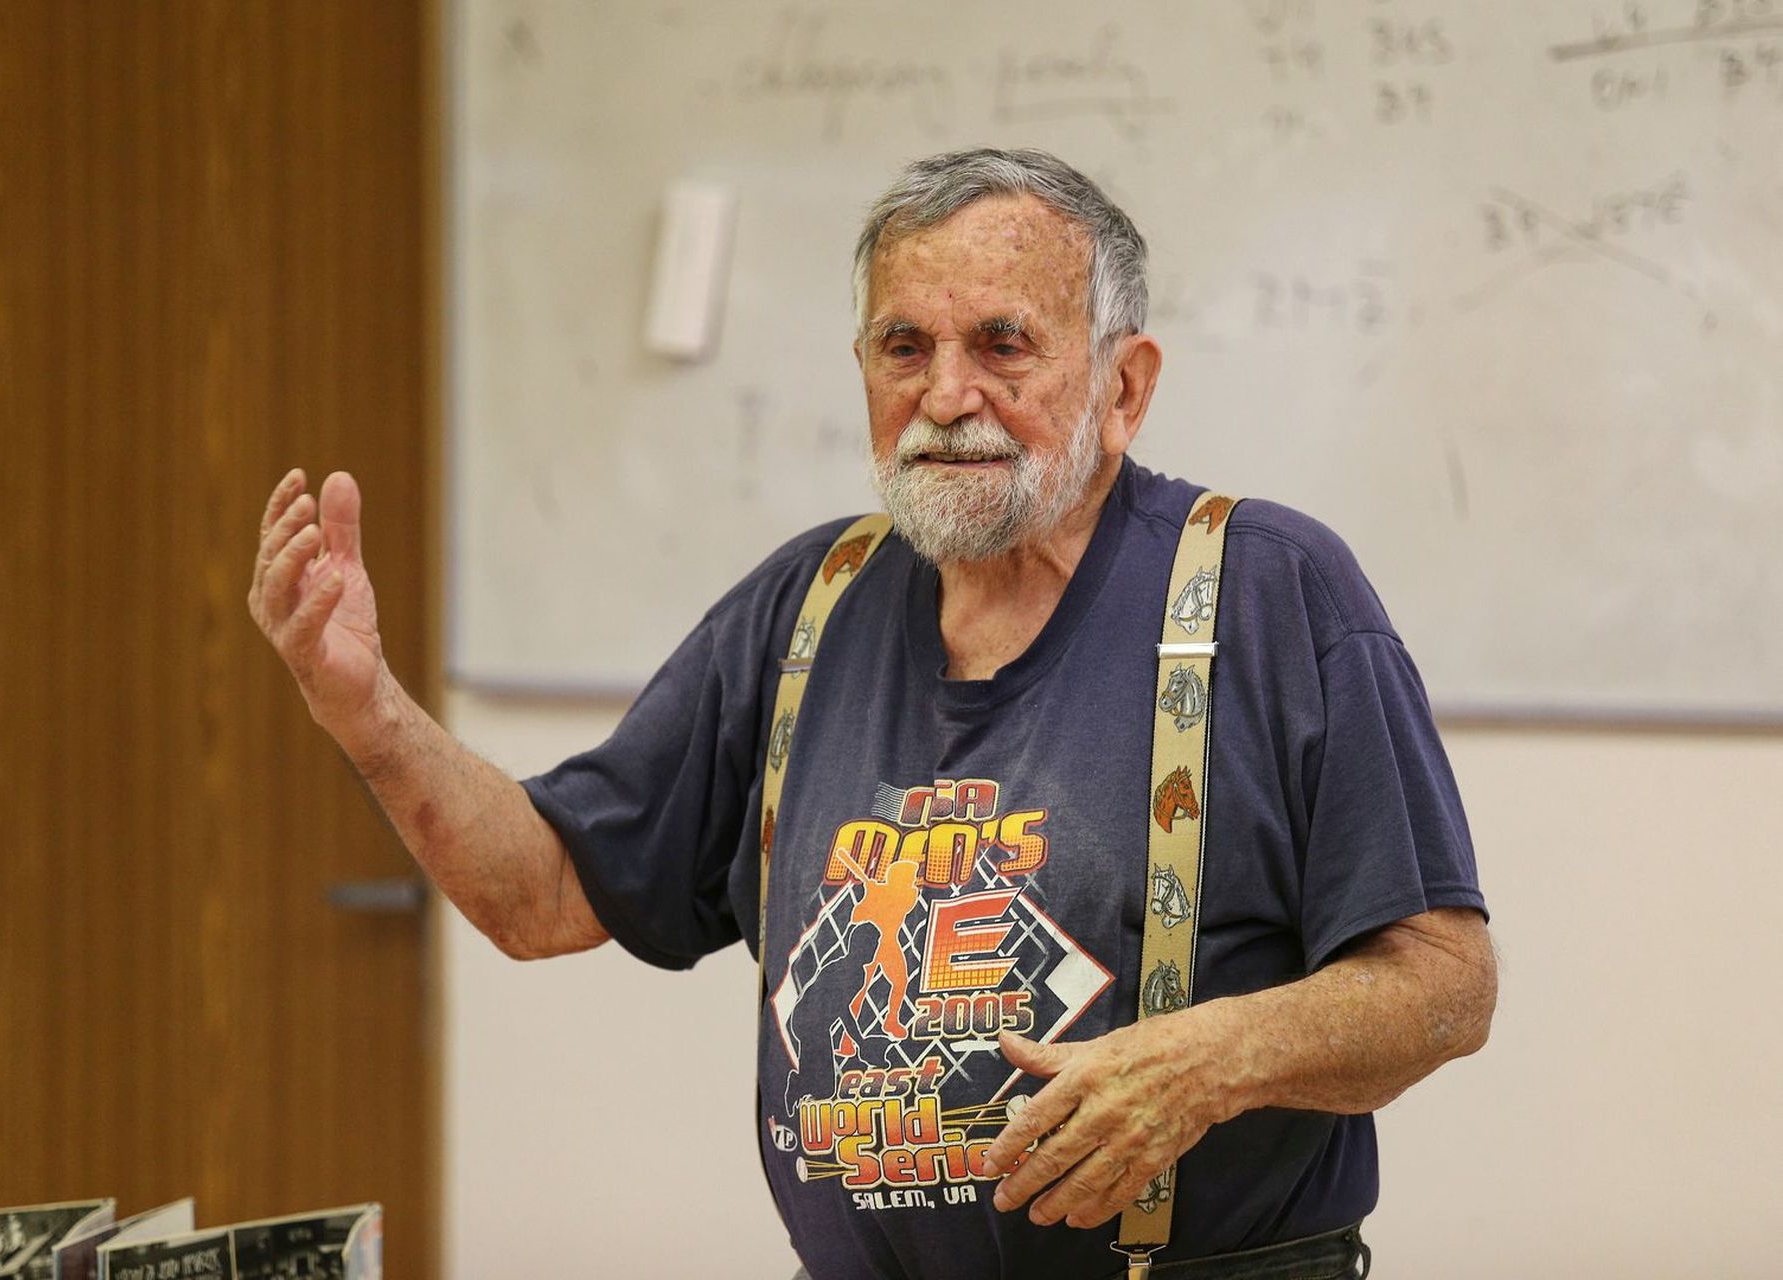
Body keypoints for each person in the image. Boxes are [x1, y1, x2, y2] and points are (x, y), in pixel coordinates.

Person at [248, 148, 1496, 1279]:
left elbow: (1443, 984)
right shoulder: (809, 605)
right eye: (904, 347)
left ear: (1125, 386)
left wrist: (1206, 1060)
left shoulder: (1268, 592)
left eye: (1002, 344)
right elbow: (545, 891)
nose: (947, 394)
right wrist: (370, 712)